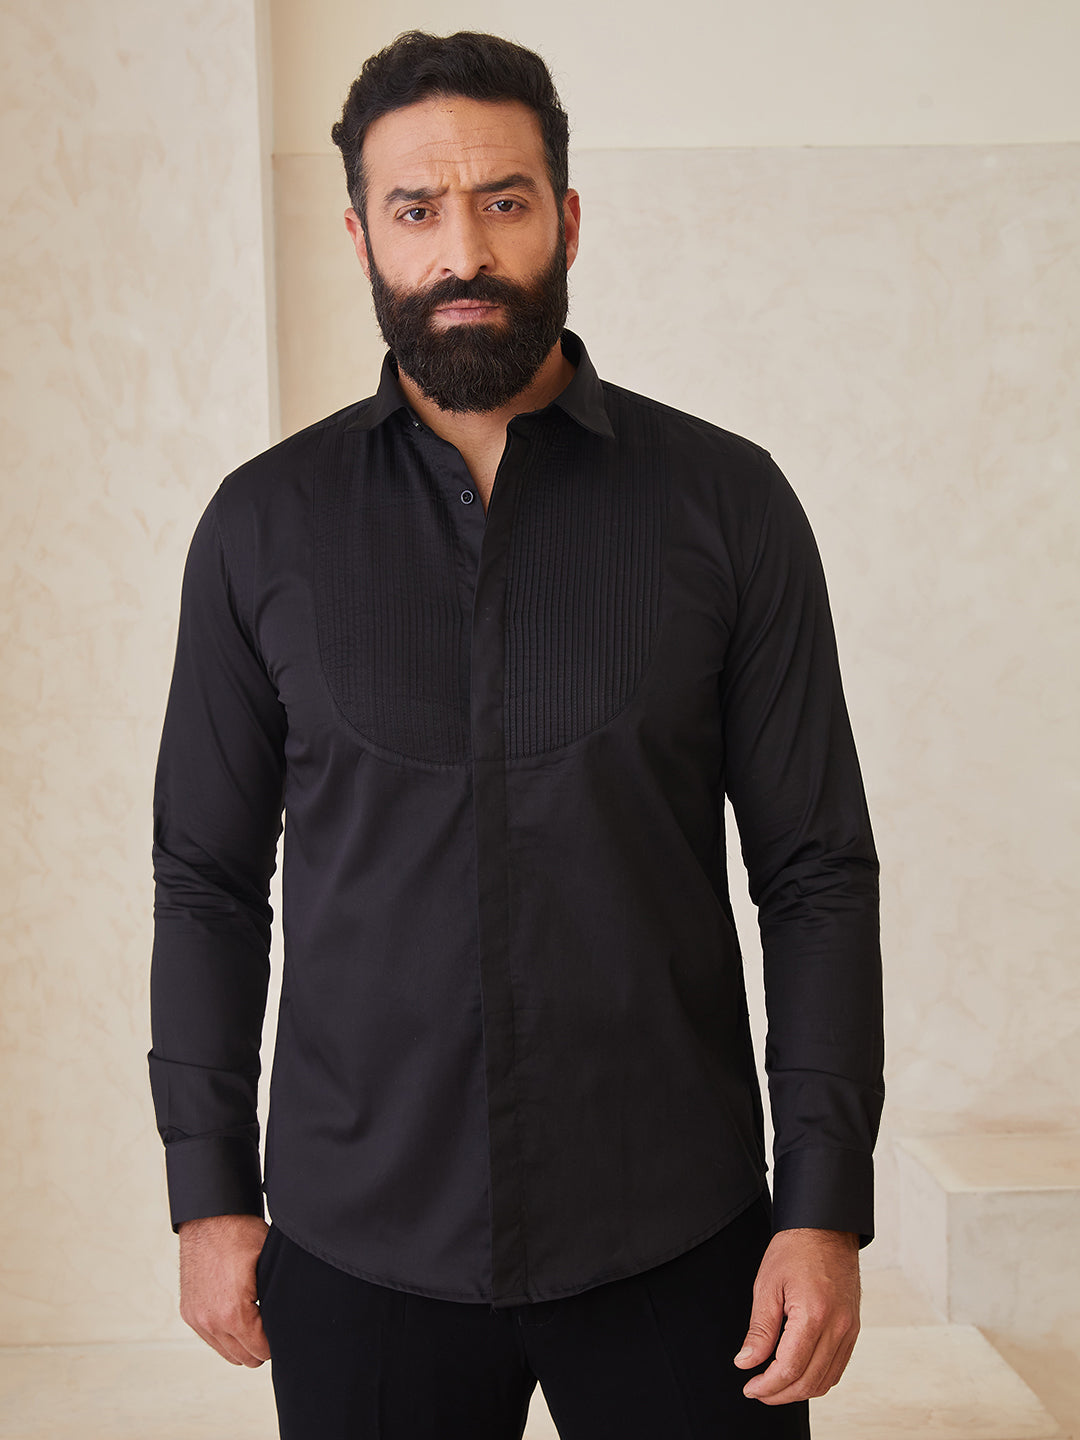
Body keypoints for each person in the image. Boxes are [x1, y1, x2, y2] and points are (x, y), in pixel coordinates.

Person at [149, 29, 883, 1440]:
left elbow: (815, 875)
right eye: (418, 210)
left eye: (504, 201)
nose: (464, 250)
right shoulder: (260, 528)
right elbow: (207, 882)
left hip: (683, 1235)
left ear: (568, 219)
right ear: (362, 237)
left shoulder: (730, 506)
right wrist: (208, 1190)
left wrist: (823, 1207)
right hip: (359, 1246)